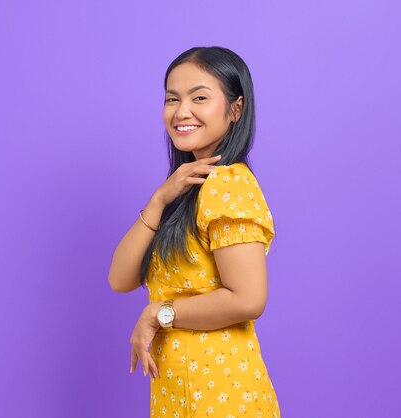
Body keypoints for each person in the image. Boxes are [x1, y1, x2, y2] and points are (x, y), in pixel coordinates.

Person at [108, 46, 280, 417]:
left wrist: (158, 314)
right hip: (183, 392)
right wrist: (158, 201)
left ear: (236, 109)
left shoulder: (228, 183)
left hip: (220, 394)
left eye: (199, 97)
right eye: (172, 99)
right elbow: (120, 279)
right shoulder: (187, 191)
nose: (180, 112)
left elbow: (248, 298)